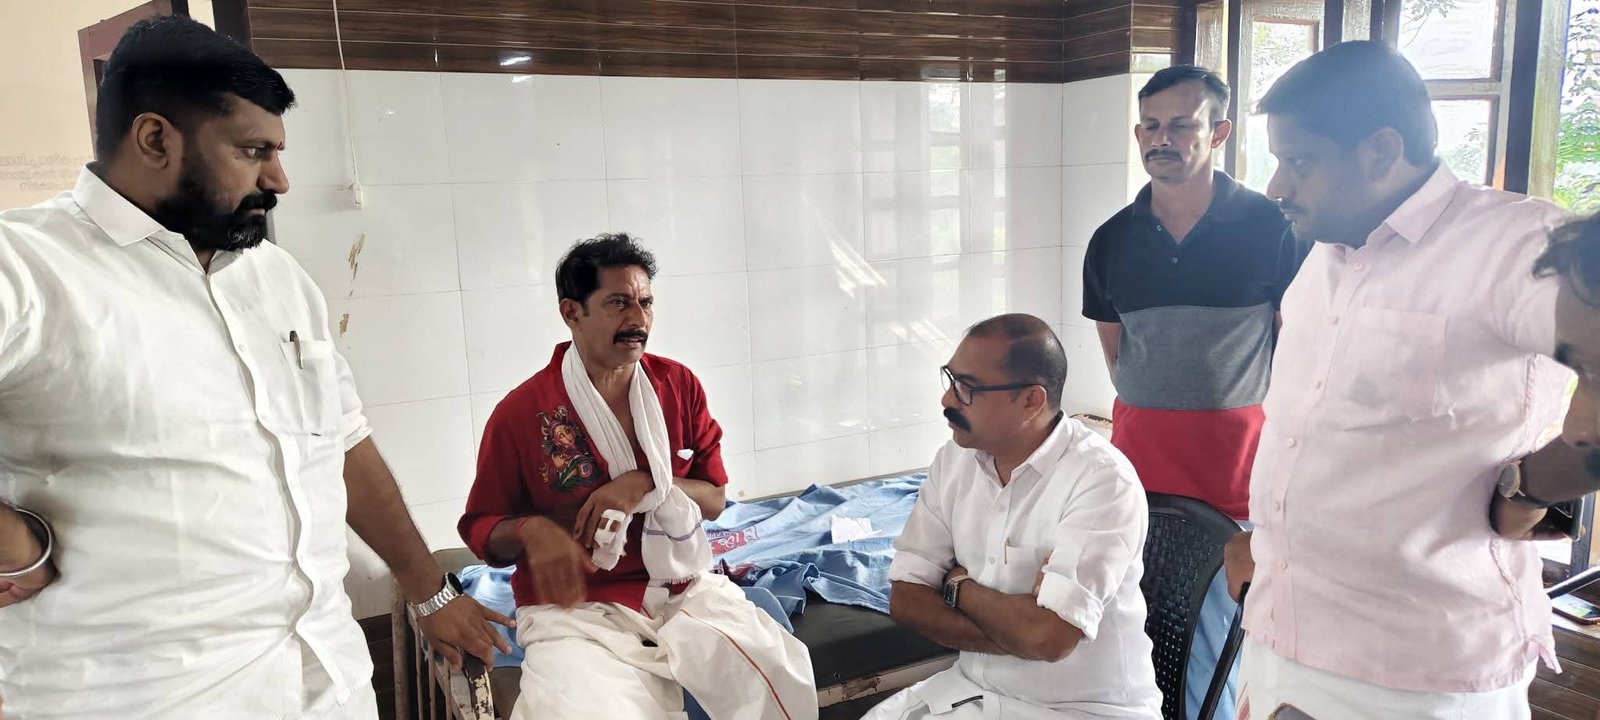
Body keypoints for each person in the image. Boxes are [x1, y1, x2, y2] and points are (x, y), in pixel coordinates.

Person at [0, 16, 511, 720]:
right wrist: (10, 540)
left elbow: (343, 442)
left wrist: (429, 589)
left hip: (327, 682)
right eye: (252, 151)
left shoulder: (275, 277)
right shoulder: (29, 267)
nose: (279, 179)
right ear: (155, 140)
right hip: (143, 698)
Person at [1221, 41, 1592, 719]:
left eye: (1298, 161)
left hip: (1419, 671)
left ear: (1381, 151)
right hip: (1283, 636)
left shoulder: (1511, 245)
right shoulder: (1322, 261)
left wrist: (1533, 485)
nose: (1276, 186)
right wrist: (1271, 541)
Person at [457, 234, 817, 720]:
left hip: (683, 588)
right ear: (572, 312)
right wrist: (532, 530)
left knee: (777, 674)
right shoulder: (523, 413)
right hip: (576, 610)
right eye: (618, 303)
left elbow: (714, 498)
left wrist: (644, 484)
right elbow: (483, 530)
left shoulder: (677, 386)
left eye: (645, 302)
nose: (638, 319)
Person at [1082, 65, 1304, 720]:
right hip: (1138, 475)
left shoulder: (1271, 227)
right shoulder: (1111, 240)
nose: (1162, 138)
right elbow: (1117, 352)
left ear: (1220, 133)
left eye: (1181, 125)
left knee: (1217, 649)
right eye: (1151, 126)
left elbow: (1297, 350)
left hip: (1235, 479)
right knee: (1141, 631)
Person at [864, 314, 1163, 720]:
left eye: (966, 388)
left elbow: (1049, 638)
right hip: (973, 691)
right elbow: (906, 597)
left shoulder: (1101, 480)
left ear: (1030, 401)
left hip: (1080, 710)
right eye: (950, 380)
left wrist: (958, 586)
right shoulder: (954, 461)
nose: (947, 400)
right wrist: (1018, 635)